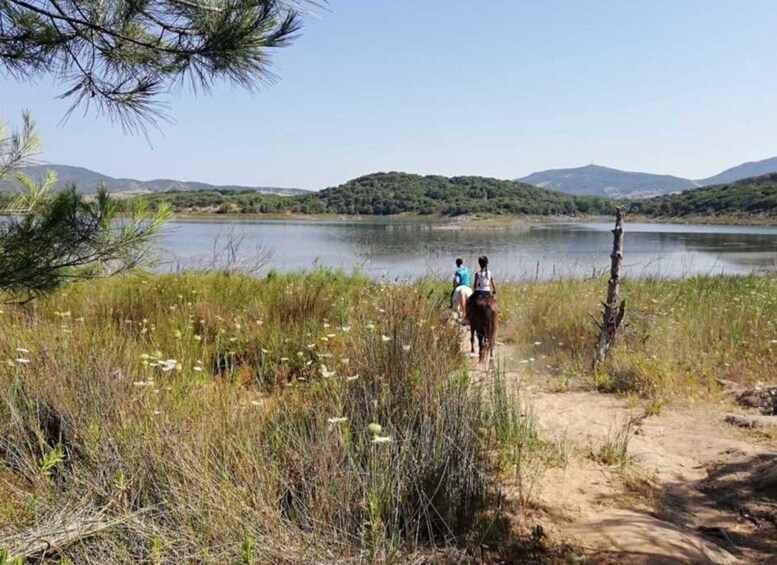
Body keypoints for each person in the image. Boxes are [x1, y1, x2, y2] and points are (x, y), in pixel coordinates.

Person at [462, 255, 496, 325]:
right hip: (487, 292)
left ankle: (467, 317)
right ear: (487, 263)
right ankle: (497, 313)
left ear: (479, 264)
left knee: (467, 301)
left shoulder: (477, 273)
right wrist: (494, 290)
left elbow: (475, 284)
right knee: (495, 302)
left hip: (479, 292)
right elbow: (493, 283)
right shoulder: (490, 273)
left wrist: (475, 290)